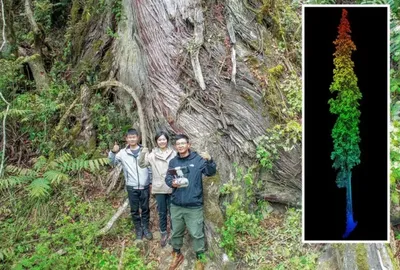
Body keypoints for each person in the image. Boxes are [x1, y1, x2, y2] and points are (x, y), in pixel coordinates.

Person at [165, 134, 217, 270]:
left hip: (194, 205)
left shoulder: (198, 159)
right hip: (176, 204)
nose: (180, 146)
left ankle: (200, 259)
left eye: (183, 143)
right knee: (176, 232)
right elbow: (168, 178)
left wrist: (210, 160)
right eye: (178, 144)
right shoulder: (173, 162)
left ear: (188, 145)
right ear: (176, 146)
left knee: (196, 233)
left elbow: (210, 172)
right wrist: (172, 183)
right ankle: (176, 254)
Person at [108, 128, 153, 240]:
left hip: (145, 185)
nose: (132, 139)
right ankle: (138, 229)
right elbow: (112, 162)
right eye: (130, 137)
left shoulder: (145, 151)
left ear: (138, 138)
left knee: (145, 208)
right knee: (134, 210)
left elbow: (150, 167)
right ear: (126, 139)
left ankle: (146, 228)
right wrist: (113, 152)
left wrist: (151, 182)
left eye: (134, 137)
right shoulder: (122, 153)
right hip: (131, 186)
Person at [138, 131, 177, 247]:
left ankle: (174, 233)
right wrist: (142, 154)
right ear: (156, 141)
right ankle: (163, 232)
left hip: (172, 185)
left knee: (173, 211)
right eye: (159, 140)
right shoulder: (152, 155)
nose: (162, 141)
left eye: (164, 139)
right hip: (159, 186)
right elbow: (142, 164)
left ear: (167, 140)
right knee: (162, 211)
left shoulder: (174, 153)